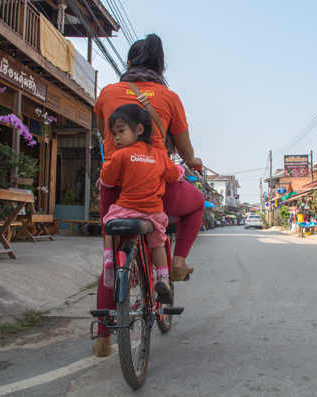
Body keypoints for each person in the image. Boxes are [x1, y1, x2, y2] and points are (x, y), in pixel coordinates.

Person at [92, 34, 204, 357]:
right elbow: (184, 150)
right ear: (160, 66)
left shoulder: (107, 93)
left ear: (128, 63)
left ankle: (102, 337)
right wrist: (193, 160)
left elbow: (106, 134)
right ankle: (178, 262)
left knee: (110, 253)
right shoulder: (169, 97)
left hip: (115, 188)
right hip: (157, 187)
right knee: (194, 204)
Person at [101, 104, 183, 308]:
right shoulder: (159, 155)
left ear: (138, 129)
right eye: (113, 134)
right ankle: (163, 277)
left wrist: (103, 175)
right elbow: (173, 174)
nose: (116, 138)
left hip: (126, 209)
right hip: (153, 213)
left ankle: (109, 258)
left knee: (110, 222)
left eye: (121, 131)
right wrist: (180, 169)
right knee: (157, 243)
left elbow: (108, 179)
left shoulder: (120, 155)